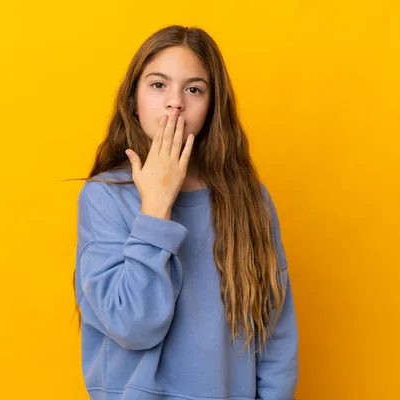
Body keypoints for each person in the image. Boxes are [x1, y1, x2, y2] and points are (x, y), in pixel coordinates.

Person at [73, 24, 298, 400]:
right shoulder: (104, 197)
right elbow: (132, 325)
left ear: (212, 107)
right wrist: (156, 206)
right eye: (158, 85)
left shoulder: (250, 200)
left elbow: (275, 333)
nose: (175, 102)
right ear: (133, 100)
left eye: (194, 89)